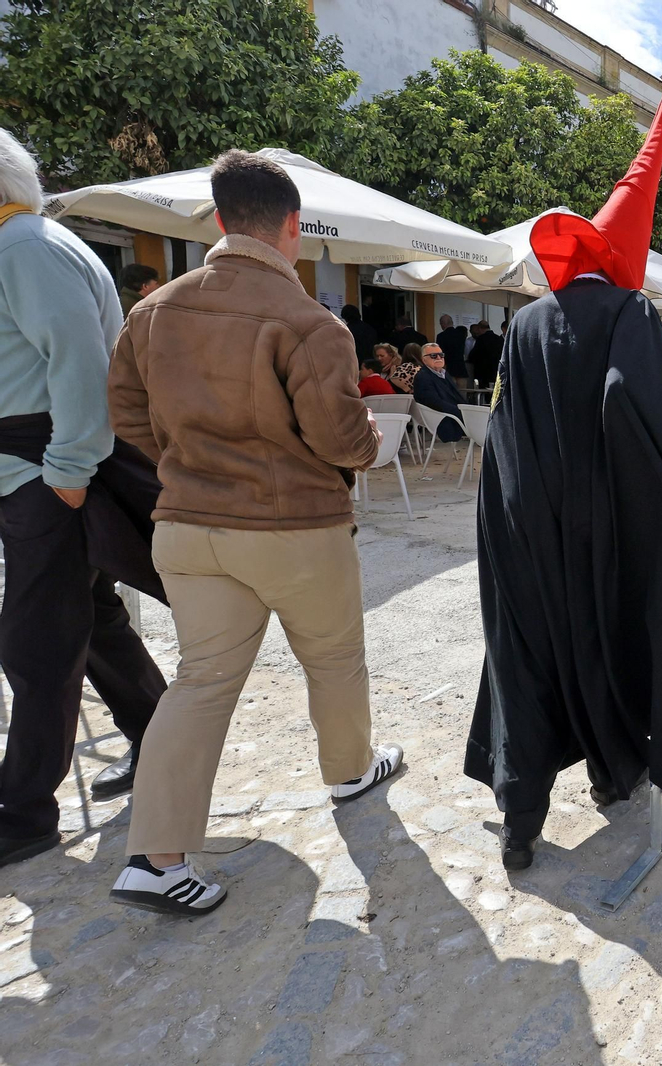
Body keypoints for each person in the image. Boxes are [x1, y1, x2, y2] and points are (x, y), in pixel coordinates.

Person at [470, 72, 662, 870]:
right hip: (602, 526)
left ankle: (520, 821)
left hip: (527, 524)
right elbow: (642, 422)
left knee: (531, 655)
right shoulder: (632, 314)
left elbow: (506, 430)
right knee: (610, 642)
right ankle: (615, 776)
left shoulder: (527, 322)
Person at [105, 148, 402, 915]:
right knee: (334, 659)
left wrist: (188, 460)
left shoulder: (153, 310)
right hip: (293, 527)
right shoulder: (308, 321)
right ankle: (348, 770)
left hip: (188, 524)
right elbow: (341, 440)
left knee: (201, 682)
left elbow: (127, 417)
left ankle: (155, 858)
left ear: (219, 219)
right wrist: (367, 435)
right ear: (293, 228)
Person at [0, 130, 167, 867]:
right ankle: (161, 742)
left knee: (38, 643)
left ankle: (24, 810)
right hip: (34, 471)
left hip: (44, 471)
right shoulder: (23, 245)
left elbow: (78, 361)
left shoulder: (26, 247)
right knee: (92, 623)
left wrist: (67, 469)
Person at [411, 342, 466, 443]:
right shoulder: (423, 377)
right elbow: (434, 402)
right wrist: (462, 413)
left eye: (441, 355)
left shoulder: (444, 374)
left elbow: (456, 396)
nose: (438, 358)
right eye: (433, 356)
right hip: (443, 419)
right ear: (424, 359)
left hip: (456, 415)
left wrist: (468, 409)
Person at [468, 319, 503, 389]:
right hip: (497, 370)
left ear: (480, 329)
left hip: (483, 372)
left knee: (484, 393)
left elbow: (473, 355)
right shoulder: (499, 339)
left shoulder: (481, 339)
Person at [435, 313, 470, 384]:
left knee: (449, 392)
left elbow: (440, 353)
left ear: (443, 324)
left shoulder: (441, 336)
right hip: (461, 368)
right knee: (462, 392)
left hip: (448, 369)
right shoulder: (461, 335)